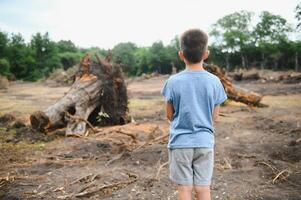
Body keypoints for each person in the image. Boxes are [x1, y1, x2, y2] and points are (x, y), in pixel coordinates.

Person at [161, 29, 227, 200]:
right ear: (206, 54)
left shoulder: (173, 82)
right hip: (205, 142)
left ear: (181, 55)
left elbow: (169, 115)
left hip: (180, 142)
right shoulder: (214, 81)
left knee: (184, 188)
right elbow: (215, 117)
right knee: (203, 188)